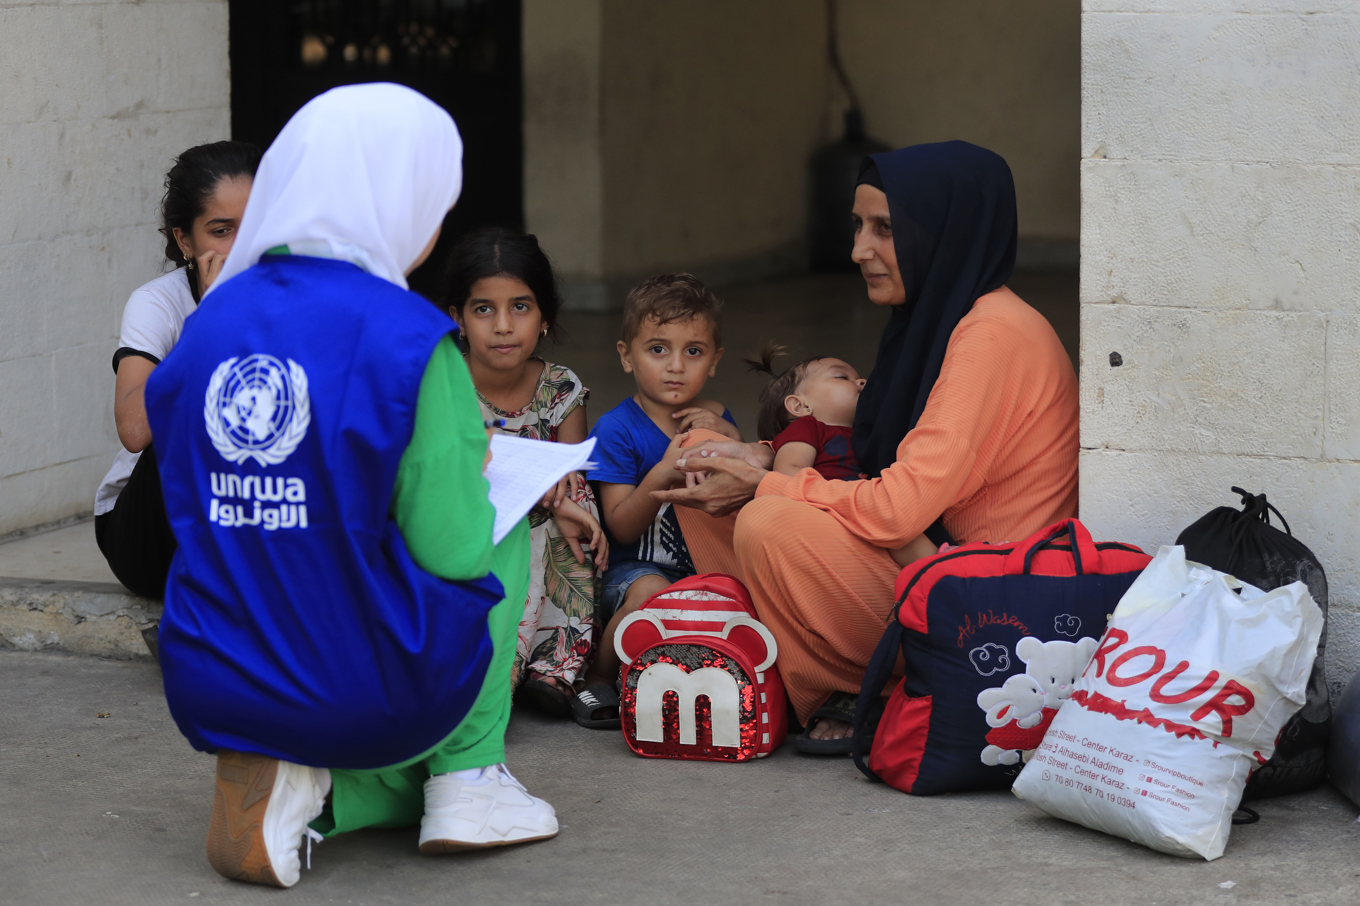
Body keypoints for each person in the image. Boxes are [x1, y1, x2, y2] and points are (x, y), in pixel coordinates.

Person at [142, 84, 555, 889]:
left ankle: (313, 783)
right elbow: (454, 545)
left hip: (210, 666)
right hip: (357, 683)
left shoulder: (212, 321)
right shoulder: (408, 339)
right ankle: (468, 782)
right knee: (498, 525)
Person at [654, 142, 1080, 755]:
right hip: (927, 556)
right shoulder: (934, 318)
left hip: (986, 600)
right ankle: (780, 653)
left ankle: (859, 691)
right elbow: (868, 467)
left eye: (885, 229)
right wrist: (765, 455)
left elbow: (899, 508)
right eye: (858, 226)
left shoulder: (993, 335)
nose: (859, 250)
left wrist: (770, 483)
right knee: (702, 459)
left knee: (768, 521)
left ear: (941, 230)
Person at [443, 227, 609, 718]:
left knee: (575, 505)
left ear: (543, 319)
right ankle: (500, 668)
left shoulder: (559, 387)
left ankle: (553, 670)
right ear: (457, 318)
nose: (502, 326)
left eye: (520, 306)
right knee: (529, 516)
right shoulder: (442, 387)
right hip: (472, 529)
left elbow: (571, 472)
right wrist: (543, 494)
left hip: (547, 532)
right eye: (482, 309)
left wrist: (563, 503)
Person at [94, 141, 261, 600]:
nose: (243, 247)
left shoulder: (296, 294)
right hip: (149, 534)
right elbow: (134, 430)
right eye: (222, 230)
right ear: (185, 240)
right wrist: (209, 325)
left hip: (255, 517)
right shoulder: (159, 302)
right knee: (185, 425)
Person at [575, 274, 741, 727]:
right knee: (651, 593)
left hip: (700, 564)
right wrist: (665, 470)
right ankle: (599, 678)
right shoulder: (617, 430)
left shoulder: (715, 416)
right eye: (657, 349)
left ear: (714, 360)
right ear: (627, 357)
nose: (675, 366)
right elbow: (622, 527)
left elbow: (736, 497)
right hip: (631, 572)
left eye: (693, 351)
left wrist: (732, 438)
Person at [748, 345, 936, 569]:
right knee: (897, 527)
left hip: (866, 516)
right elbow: (788, 471)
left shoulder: (869, 436)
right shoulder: (808, 427)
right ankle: (940, 567)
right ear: (800, 405)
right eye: (841, 376)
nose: (862, 381)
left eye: (858, 377)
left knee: (901, 526)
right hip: (830, 513)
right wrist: (826, 495)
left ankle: (938, 569)